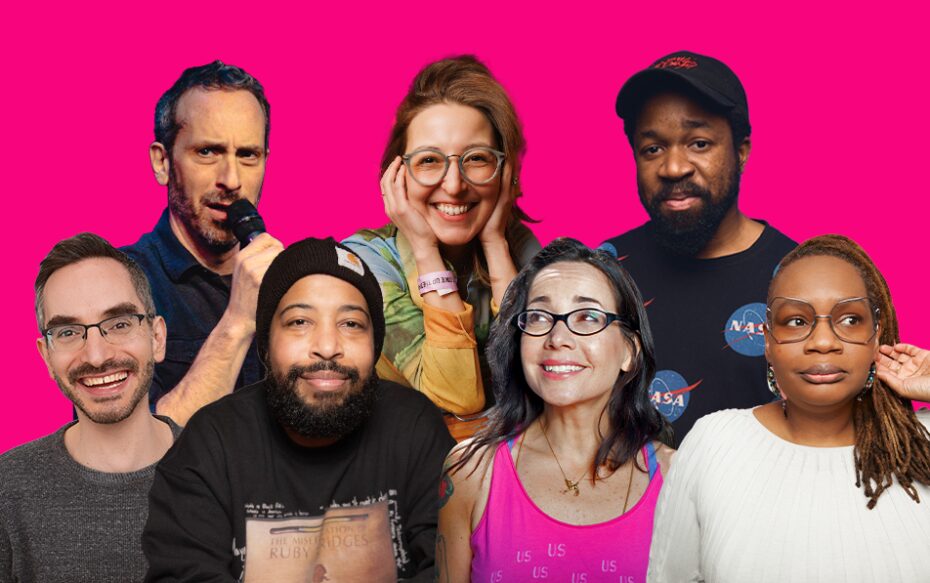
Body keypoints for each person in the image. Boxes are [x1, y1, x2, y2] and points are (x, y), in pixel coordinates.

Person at [143, 237, 455, 581]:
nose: (326, 347)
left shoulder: (413, 427)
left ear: (375, 344)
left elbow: (450, 569)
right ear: (266, 344)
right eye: (299, 322)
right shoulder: (209, 444)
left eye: (351, 324)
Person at [648, 235, 930, 582]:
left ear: (877, 336)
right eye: (796, 320)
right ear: (767, 341)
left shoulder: (922, 443)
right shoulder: (714, 444)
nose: (823, 342)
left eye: (849, 319)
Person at [437, 238, 673, 582]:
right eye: (538, 316)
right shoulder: (470, 471)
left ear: (629, 351)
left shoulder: (677, 477)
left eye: (588, 316)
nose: (557, 337)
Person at [599, 51, 796, 444]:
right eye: (652, 148)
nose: (674, 168)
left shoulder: (800, 274)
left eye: (699, 143)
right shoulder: (603, 271)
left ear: (742, 151)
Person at [343, 55, 540, 440]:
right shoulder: (363, 263)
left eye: (477, 159)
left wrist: (496, 245)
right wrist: (424, 249)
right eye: (430, 160)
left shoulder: (515, 246)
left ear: (505, 172)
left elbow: (537, 381)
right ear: (395, 174)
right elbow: (457, 397)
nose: (454, 185)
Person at [0, 233, 182, 582]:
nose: (97, 356)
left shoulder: (230, 478)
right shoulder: (7, 491)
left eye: (120, 324)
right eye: (68, 332)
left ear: (157, 337)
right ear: (47, 357)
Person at [123, 60, 284, 426]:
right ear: (163, 162)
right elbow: (130, 459)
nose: (231, 179)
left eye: (247, 155)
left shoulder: (289, 279)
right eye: (207, 152)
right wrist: (238, 322)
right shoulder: (118, 284)